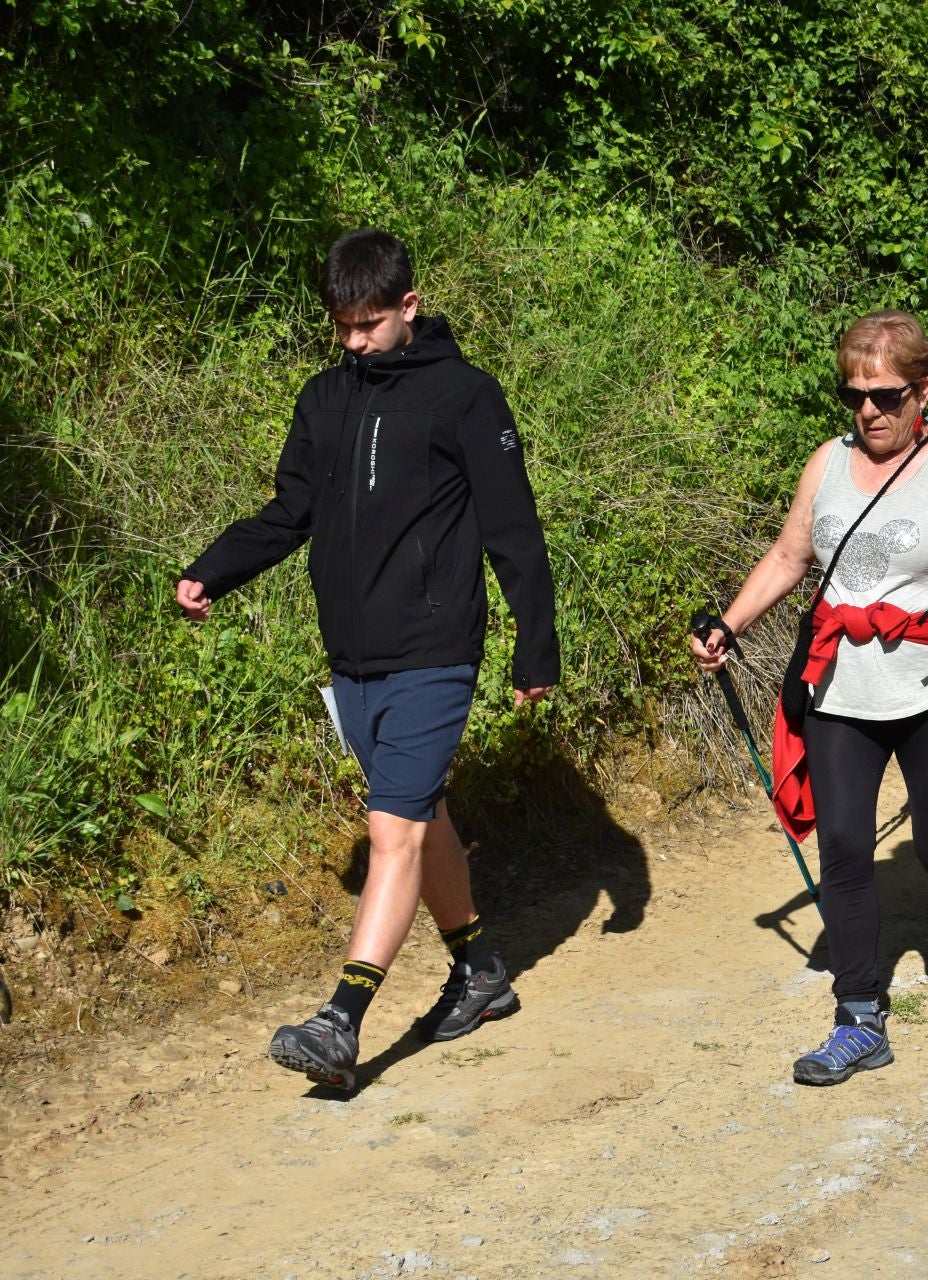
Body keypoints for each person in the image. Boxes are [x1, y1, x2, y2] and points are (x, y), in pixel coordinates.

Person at [176, 229, 560, 1091]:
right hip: (351, 658)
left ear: (409, 307)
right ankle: (481, 971)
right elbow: (288, 513)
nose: (353, 341)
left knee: (392, 829)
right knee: (424, 817)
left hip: (434, 648)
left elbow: (513, 531)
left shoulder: (466, 397)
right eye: (341, 326)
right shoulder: (325, 400)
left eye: (369, 324)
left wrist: (536, 646)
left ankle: (341, 1019)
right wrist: (214, 568)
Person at [689, 310, 928, 1087]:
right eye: (854, 394)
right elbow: (791, 554)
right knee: (845, 852)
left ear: (923, 391)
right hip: (840, 684)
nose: (869, 411)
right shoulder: (827, 461)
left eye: (887, 395)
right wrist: (729, 622)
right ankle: (859, 1017)